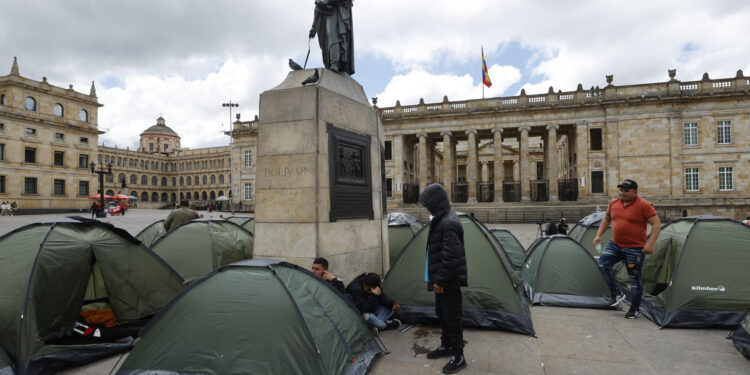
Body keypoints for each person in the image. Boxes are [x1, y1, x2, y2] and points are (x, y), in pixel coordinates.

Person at [593, 179, 661, 319]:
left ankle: (635, 308)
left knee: (634, 279)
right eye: (621, 190)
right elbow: (606, 219)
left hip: (635, 249)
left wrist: (650, 244)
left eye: (626, 190)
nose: (622, 193)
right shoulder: (614, 203)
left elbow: (656, 224)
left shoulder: (644, 205)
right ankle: (616, 293)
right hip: (615, 244)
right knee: (603, 264)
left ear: (635, 192)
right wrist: (599, 235)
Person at [418, 183, 468, 374]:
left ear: (435, 203)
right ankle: (446, 346)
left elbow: (452, 257)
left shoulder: (448, 222)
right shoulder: (442, 219)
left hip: (448, 282)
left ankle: (458, 355)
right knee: (442, 314)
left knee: (453, 318)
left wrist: (440, 281)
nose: (426, 208)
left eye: (428, 204)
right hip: (441, 280)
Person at [309, 0, 354, 75]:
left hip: (337, 11)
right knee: (326, 41)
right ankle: (331, 63)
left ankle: (335, 63)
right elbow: (317, 7)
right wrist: (314, 27)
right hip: (324, 13)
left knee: (333, 36)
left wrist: (326, 2)